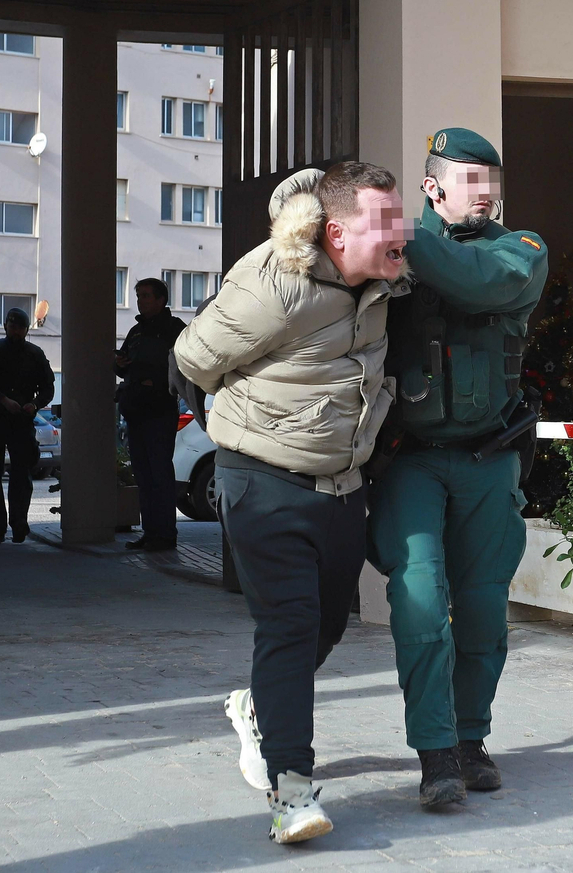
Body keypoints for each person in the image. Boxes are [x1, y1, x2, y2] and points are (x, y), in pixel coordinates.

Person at [173, 162, 408, 844]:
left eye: (401, 218)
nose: (401, 235)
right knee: (292, 623)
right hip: (263, 477)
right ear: (334, 231)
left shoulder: (388, 276)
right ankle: (292, 792)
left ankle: (256, 706)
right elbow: (194, 355)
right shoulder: (278, 284)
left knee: (328, 622)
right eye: (383, 223)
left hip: (341, 483)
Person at [367, 128, 550, 806]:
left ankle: (471, 739)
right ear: (433, 185)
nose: (488, 194)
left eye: (493, 182)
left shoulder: (518, 250)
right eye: (472, 181)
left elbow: (481, 283)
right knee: (418, 602)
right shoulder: (398, 250)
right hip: (410, 460)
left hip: (487, 460)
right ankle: (436, 751)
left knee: (482, 614)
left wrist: (403, 236)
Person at [116, 277, 188, 551]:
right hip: (136, 411)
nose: (141, 301)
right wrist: (120, 363)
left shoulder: (174, 329)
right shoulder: (136, 331)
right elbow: (122, 367)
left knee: (160, 474)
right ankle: (150, 532)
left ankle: (166, 534)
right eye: (138, 296)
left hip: (159, 410)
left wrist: (157, 381)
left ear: (161, 300)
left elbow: (183, 366)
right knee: (143, 475)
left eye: (146, 296)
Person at [0, 306, 55, 545]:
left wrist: (35, 404)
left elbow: (48, 389)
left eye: (20, 327)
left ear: (26, 329)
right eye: (12, 326)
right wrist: (3, 400)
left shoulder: (35, 354)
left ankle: (19, 524)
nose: (16, 331)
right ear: (6, 326)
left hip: (21, 419)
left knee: (22, 475)